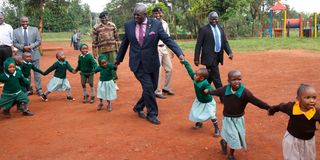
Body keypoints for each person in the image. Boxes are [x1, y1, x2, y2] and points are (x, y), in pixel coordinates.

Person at [115, 3, 185, 125]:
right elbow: (125, 43)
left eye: (138, 15)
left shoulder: (156, 24)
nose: (135, 17)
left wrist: (179, 53)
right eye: (134, 15)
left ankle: (138, 107)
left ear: (145, 14)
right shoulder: (129, 25)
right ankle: (152, 113)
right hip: (137, 63)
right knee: (148, 87)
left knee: (152, 88)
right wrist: (118, 59)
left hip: (152, 62)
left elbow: (167, 39)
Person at [205, 70, 269, 160]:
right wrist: (209, 91)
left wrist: (268, 107)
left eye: (239, 79)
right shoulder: (225, 89)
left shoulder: (245, 93)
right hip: (227, 118)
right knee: (234, 136)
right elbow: (216, 92)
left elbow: (256, 101)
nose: (237, 81)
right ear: (228, 81)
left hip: (239, 119)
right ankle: (231, 154)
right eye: (233, 79)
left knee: (236, 135)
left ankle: (223, 142)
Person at [268, 84, 320, 160]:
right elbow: (280, 106)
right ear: (298, 99)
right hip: (292, 139)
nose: (312, 100)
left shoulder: (317, 112)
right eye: (307, 98)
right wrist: (272, 110)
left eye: (314, 98)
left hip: (308, 142)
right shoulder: (291, 107)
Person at [195, 11, 233, 103]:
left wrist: (229, 52)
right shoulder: (204, 30)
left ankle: (202, 90)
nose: (214, 20)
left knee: (210, 76)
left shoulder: (220, 29)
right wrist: (196, 58)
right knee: (216, 77)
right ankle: (223, 97)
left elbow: (225, 42)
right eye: (212, 19)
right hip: (209, 57)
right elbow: (198, 44)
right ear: (209, 19)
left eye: (216, 18)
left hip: (217, 56)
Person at [181, 60, 219, 136]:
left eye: (197, 75)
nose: (194, 75)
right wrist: (185, 62)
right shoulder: (196, 79)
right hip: (199, 100)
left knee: (212, 115)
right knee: (196, 112)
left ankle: (217, 128)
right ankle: (199, 122)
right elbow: (190, 70)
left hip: (207, 102)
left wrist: (208, 91)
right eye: (195, 74)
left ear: (202, 78)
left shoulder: (205, 83)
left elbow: (212, 89)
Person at [13, 16, 43, 96]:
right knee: (26, 73)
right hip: (22, 56)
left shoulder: (35, 29)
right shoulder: (15, 31)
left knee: (36, 72)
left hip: (34, 54)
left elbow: (39, 41)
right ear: (20, 22)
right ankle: (28, 88)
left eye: (26, 21)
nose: (25, 23)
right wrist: (23, 47)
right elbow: (14, 43)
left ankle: (39, 89)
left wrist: (31, 46)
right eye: (23, 22)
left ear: (28, 21)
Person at [92, 11, 120, 90]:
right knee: (103, 65)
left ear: (108, 17)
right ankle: (105, 82)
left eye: (105, 17)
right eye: (102, 18)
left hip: (112, 49)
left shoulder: (113, 25)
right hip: (102, 50)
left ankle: (114, 82)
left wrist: (119, 49)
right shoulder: (96, 27)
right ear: (100, 18)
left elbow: (117, 38)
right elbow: (94, 41)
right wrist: (94, 51)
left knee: (113, 65)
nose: (104, 19)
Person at [152, 7, 175, 99]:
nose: (158, 15)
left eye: (159, 13)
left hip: (164, 48)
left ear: (162, 13)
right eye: (155, 14)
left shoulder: (165, 23)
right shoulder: (151, 23)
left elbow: (168, 37)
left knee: (169, 68)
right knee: (158, 70)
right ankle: (157, 91)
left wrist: (171, 49)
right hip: (155, 48)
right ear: (153, 15)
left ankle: (166, 87)